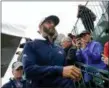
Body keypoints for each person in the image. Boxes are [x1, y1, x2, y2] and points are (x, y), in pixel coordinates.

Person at [22, 15, 81, 88]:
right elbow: (28, 71)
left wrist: (73, 74)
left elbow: (65, 68)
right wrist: (60, 70)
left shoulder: (60, 49)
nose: (52, 25)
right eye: (49, 22)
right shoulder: (31, 45)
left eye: (54, 24)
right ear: (40, 26)